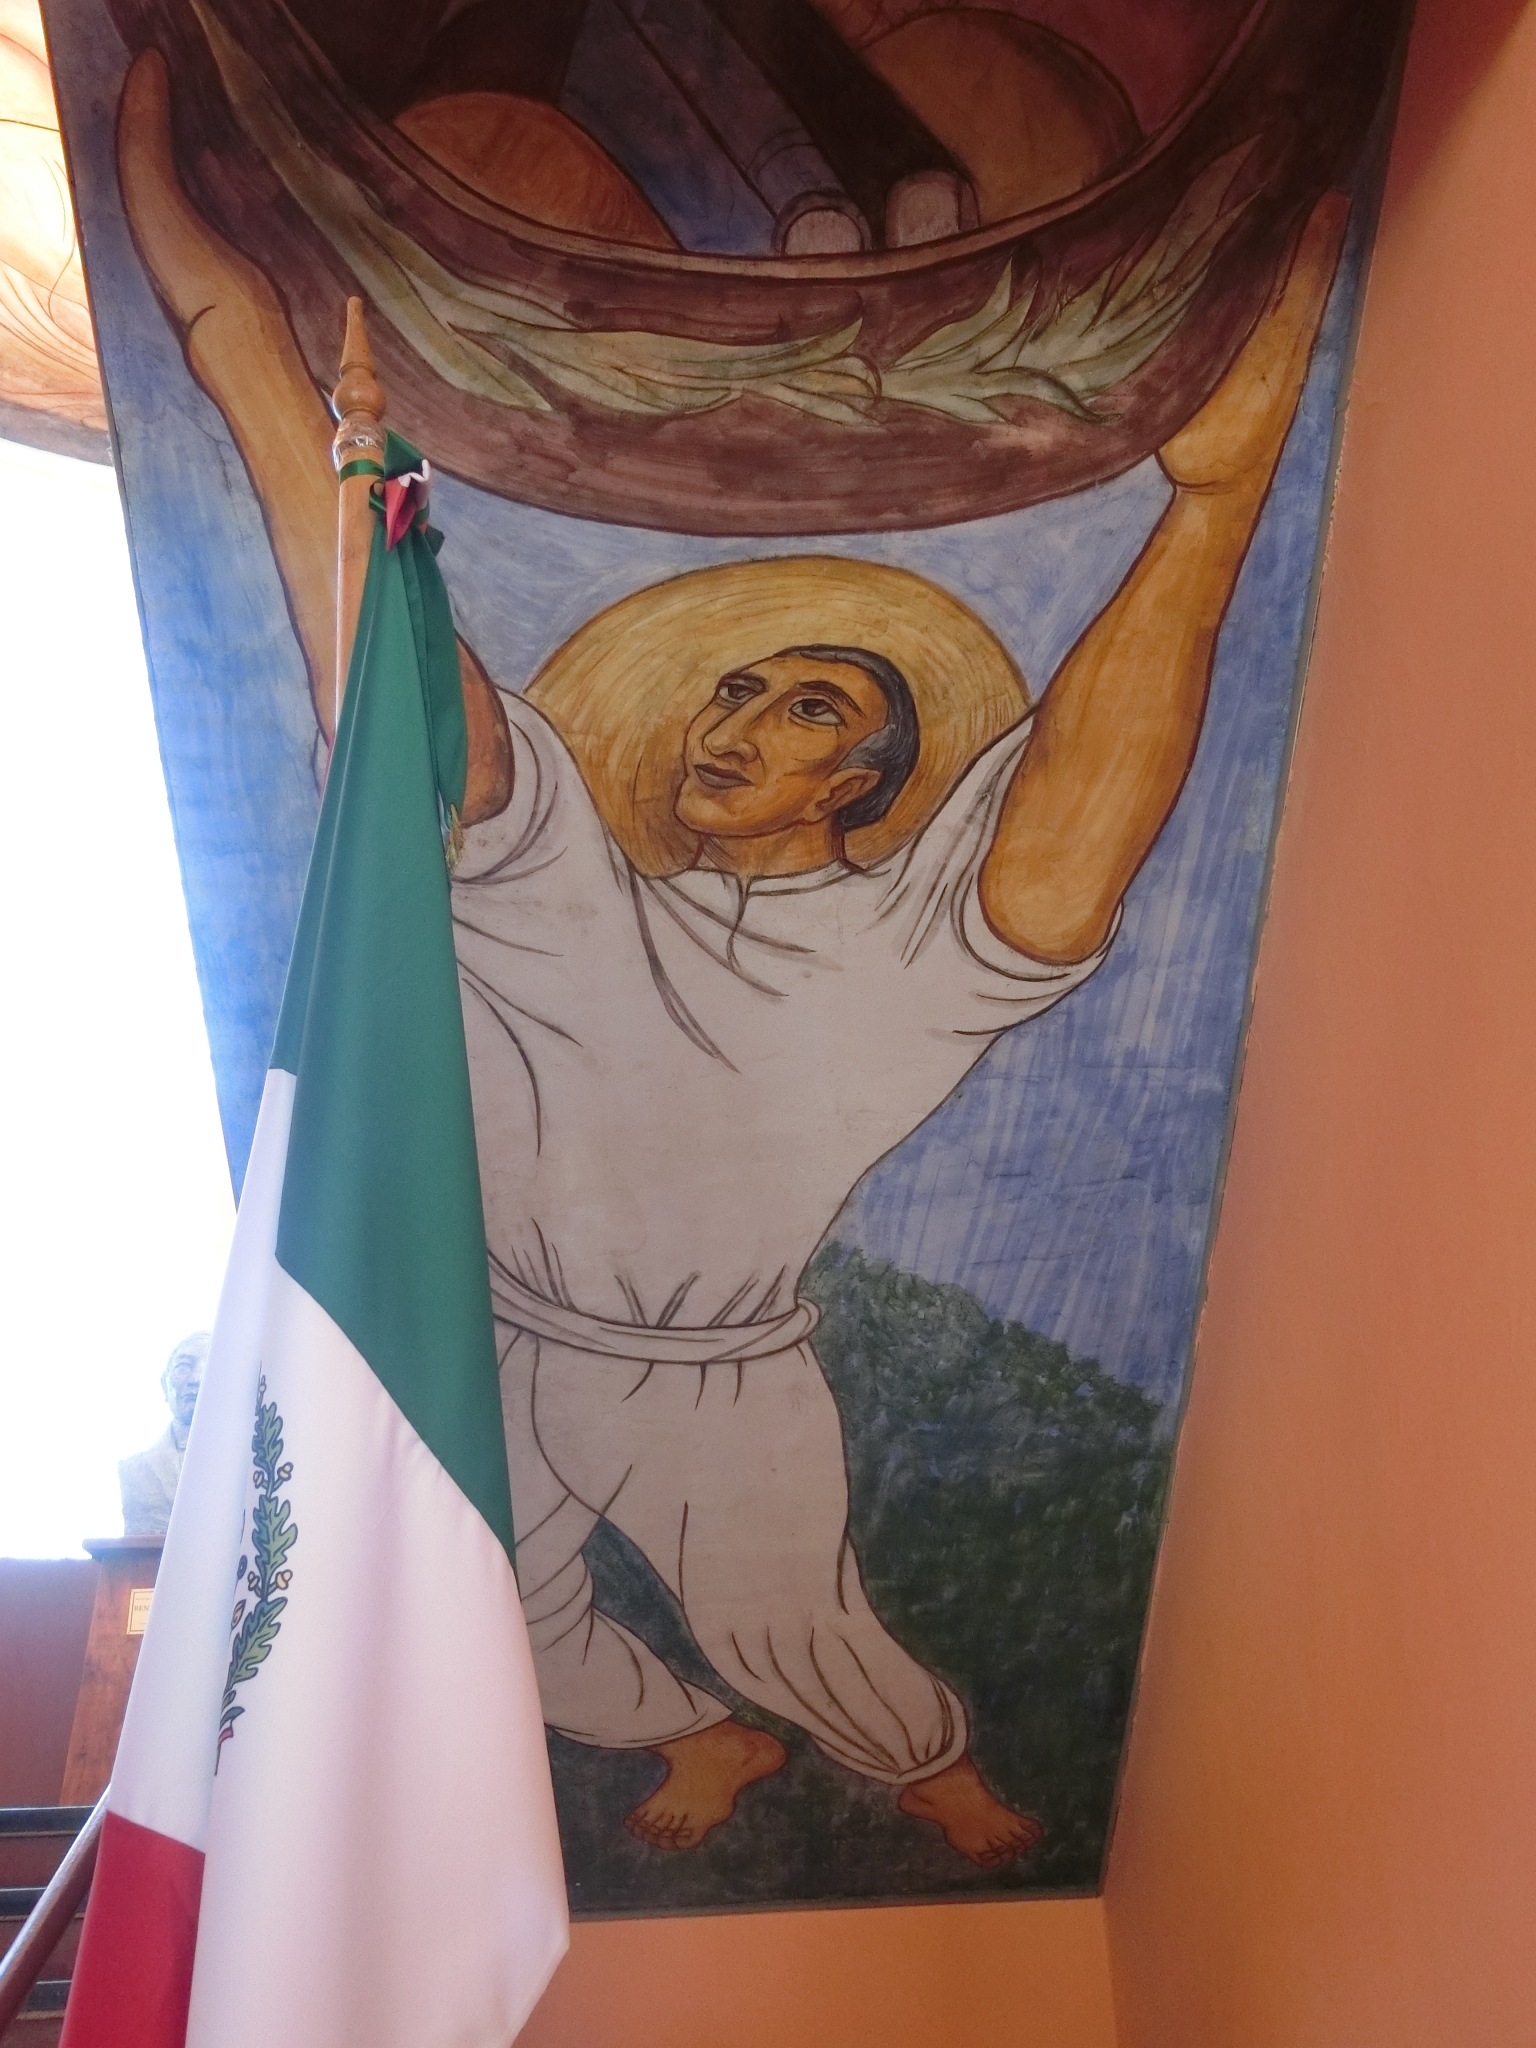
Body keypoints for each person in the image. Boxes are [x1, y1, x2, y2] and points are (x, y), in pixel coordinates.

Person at [114, 50, 1345, 1864]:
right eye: (738, 689)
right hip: (504, 1327)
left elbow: (1080, 804)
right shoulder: (572, 886)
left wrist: (1212, 513)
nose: (741, 720)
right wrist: (240, 347)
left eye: (807, 710)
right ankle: (698, 1738)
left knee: (797, 1624)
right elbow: (411, 690)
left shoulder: (908, 950)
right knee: (504, 1620)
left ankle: (938, 1779)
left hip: (712, 1374)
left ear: (867, 779)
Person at [119, 1331, 209, 1536]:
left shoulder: (254, 1466)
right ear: (164, 1384)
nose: (196, 1379)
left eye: (210, 1367)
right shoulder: (135, 1469)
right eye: (183, 1368)